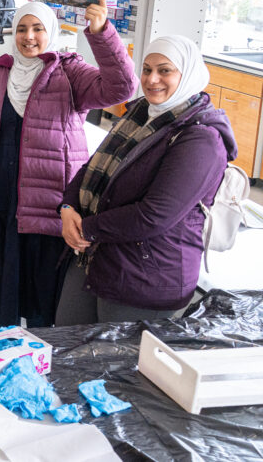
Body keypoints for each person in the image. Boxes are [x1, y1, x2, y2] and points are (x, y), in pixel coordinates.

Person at [0, 0, 137, 328]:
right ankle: (1, 351)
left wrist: (101, 34)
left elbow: (122, 87)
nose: (29, 36)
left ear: (50, 32)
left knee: (42, 303)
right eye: (21, 29)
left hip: (48, 208)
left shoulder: (69, 73)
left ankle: (40, 356)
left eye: (37, 29)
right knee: (0, 295)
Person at [55, 36, 235, 325]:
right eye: (147, 69)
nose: (152, 79)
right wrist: (67, 209)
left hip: (144, 276)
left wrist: (85, 227)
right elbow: (93, 167)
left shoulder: (201, 139)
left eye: (165, 70)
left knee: (115, 355)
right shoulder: (140, 114)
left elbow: (155, 214)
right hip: (96, 255)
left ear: (187, 73)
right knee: (67, 343)